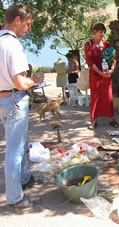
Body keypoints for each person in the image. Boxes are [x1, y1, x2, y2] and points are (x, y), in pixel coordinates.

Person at [0, 3, 45, 208]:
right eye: (27, 24)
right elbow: (20, 82)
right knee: (15, 150)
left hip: (3, 100)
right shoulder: (13, 44)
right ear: (17, 20)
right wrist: (34, 79)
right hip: (14, 100)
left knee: (20, 141)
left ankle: (25, 177)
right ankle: (15, 198)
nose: (28, 29)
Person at [84, 23, 118, 130]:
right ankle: (93, 120)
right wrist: (99, 72)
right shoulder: (89, 45)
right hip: (95, 75)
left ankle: (112, 119)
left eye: (104, 32)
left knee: (108, 97)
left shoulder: (107, 44)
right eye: (101, 32)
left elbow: (113, 58)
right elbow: (90, 62)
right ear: (94, 32)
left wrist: (112, 69)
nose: (103, 34)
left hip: (106, 76)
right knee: (95, 97)